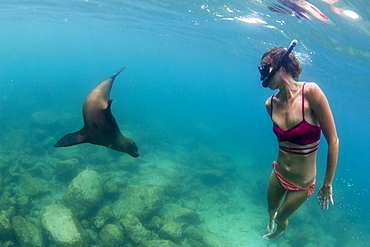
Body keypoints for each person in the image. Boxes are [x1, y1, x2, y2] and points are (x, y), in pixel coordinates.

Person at [257, 41, 339, 240]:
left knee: (281, 217)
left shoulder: (310, 92)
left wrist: (327, 183)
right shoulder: (270, 104)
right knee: (270, 208)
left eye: (265, 67)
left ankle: (278, 229)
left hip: (302, 184)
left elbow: (333, 141)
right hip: (278, 172)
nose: (262, 75)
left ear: (281, 66)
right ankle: (270, 220)